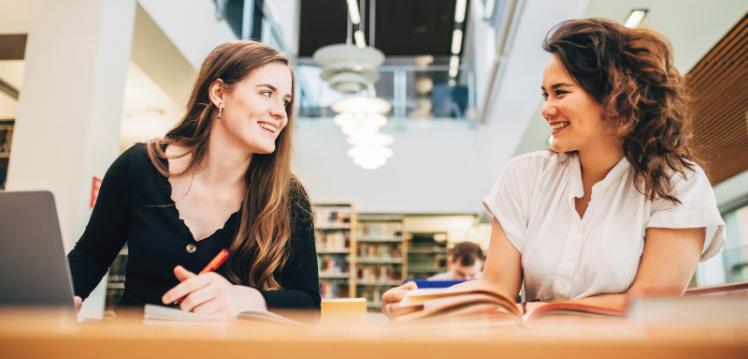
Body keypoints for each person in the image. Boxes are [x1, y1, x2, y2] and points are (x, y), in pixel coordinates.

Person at [383, 18, 725, 315]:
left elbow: (649, 304)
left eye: (560, 92)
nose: (546, 109)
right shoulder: (524, 176)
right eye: (544, 95)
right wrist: (423, 299)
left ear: (615, 95)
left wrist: (534, 310)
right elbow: (496, 287)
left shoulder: (678, 183)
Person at [67, 40, 320, 319]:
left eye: (285, 101)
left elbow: (309, 305)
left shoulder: (288, 197)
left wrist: (244, 299)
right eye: (266, 93)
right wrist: (64, 296)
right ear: (219, 92)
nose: (281, 113)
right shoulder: (139, 167)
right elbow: (90, 256)